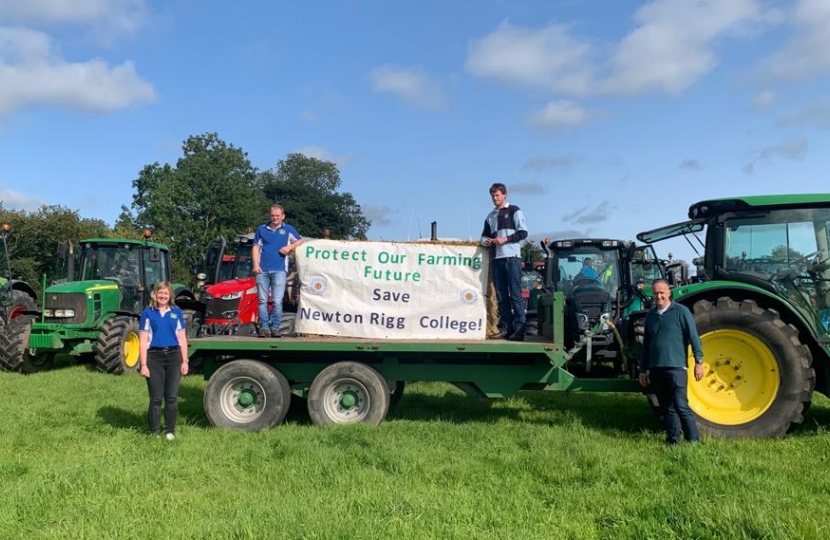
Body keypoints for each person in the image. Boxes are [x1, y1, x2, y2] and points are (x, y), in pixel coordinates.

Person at [638, 279, 705, 445]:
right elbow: (646, 344)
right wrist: (643, 369)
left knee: (681, 405)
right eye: (655, 293)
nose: (659, 296)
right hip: (656, 368)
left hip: (676, 367)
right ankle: (673, 440)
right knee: (666, 407)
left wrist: (699, 361)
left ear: (669, 293)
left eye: (662, 292)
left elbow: (693, 337)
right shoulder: (651, 316)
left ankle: (693, 440)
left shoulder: (681, 311)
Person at [139, 282, 189, 441]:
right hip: (154, 357)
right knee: (155, 398)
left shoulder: (176, 312)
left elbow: (182, 338)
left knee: (172, 397)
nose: (163, 296)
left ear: (170, 296)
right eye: (160, 293)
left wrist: (184, 361)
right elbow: (142, 340)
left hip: (174, 357)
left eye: (166, 294)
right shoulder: (147, 313)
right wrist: (144, 364)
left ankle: (169, 430)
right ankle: (154, 432)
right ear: (155, 294)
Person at [480, 183, 528, 341]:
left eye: (497, 195)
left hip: (511, 258)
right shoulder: (490, 216)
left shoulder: (514, 210)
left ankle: (520, 329)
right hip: (496, 259)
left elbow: (523, 233)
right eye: (493, 196)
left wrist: (505, 239)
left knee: (515, 294)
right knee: (501, 296)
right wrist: (486, 241)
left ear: (504, 195)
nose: (495, 198)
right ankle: (506, 328)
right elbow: (483, 236)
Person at [252, 204, 303, 338]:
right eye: (272, 215)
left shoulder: (288, 229)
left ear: (282, 216)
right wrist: (255, 264)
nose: (275, 218)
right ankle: (263, 327)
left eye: (277, 216)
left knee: (277, 301)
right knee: (262, 300)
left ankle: (275, 327)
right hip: (262, 270)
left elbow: (300, 240)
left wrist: (289, 247)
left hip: (279, 269)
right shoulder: (261, 229)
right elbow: (256, 247)